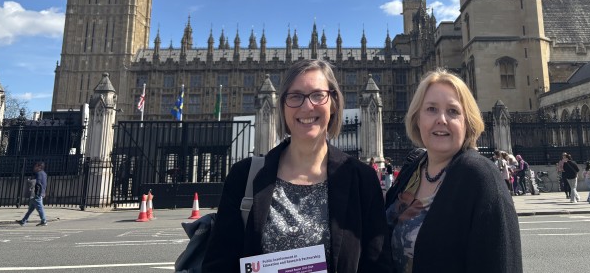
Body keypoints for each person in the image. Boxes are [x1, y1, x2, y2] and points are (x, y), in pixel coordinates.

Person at [202, 59, 392, 273]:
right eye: (295, 96)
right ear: (281, 106)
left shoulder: (362, 180)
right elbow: (218, 264)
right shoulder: (245, 177)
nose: (307, 106)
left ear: (334, 102)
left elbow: (378, 265)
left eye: (318, 95)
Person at [384, 69, 522, 272]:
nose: (441, 119)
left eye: (453, 111)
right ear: (417, 118)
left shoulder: (480, 176)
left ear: (467, 122)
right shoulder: (413, 167)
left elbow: (501, 262)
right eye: (431, 109)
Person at [18, 161, 48, 226]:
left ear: (39, 167)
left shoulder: (38, 174)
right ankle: (23, 220)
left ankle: (44, 220)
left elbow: (38, 184)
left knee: (40, 208)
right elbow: (44, 184)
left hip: (37, 193)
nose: (34, 167)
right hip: (40, 192)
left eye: (36, 166)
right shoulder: (44, 174)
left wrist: (32, 186)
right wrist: (43, 192)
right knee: (31, 209)